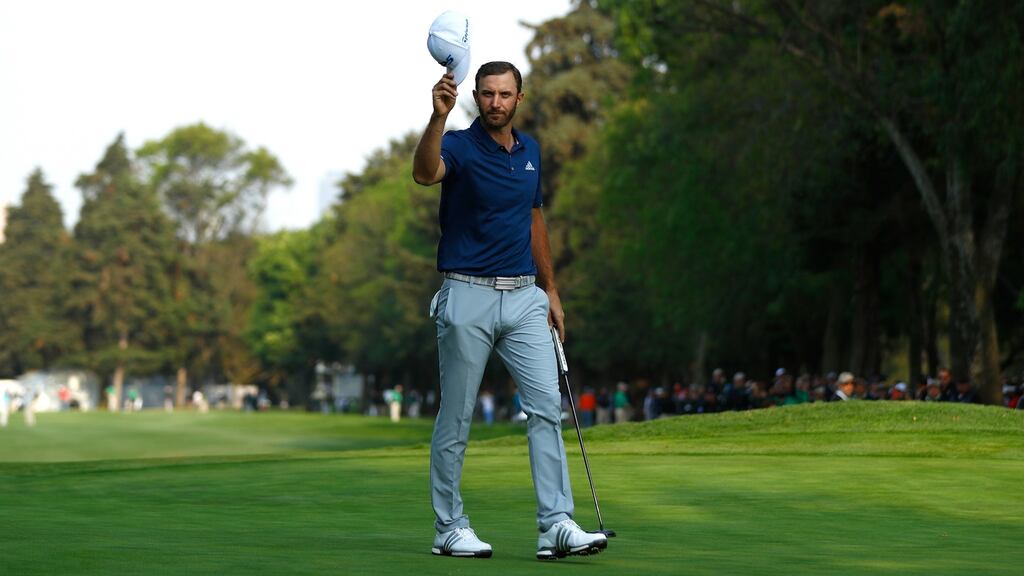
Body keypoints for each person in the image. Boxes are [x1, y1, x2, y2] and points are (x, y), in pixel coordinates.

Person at [413, 61, 606, 560]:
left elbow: (533, 218)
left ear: (520, 97)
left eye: (505, 94)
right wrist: (437, 119)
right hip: (466, 294)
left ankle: (556, 524)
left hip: (525, 298)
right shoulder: (456, 144)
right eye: (487, 94)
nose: (496, 102)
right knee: (456, 417)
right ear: (475, 97)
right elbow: (424, 173)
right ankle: (449, 527)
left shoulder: (530, 152)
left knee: (546, 409)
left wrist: (552, 290)